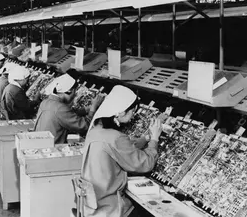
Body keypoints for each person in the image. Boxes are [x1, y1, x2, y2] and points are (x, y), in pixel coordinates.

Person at [81, 85, 162, 217]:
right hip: (111, 207)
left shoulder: (95, 130)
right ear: (120, 112)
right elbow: (145, 164)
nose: (133, 116)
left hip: (93, 203)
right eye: (132, 111)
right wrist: (154, 139)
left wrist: (145, 138)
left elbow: (123, 147)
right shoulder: (115, 137)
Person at [34, 74, 104, 144]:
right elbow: (84, 126)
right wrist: (93, 108)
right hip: (53, 146)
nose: (74, 95)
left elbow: (67, 114)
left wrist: (86, 109)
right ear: (69, 91)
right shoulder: (60, 108)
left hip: (42, 143)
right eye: (75, 92)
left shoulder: (46, 102)